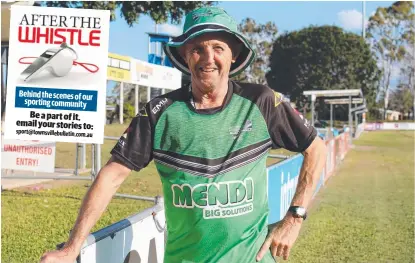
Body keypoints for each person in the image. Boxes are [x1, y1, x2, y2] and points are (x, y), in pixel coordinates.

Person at [41, 6, 327, 263]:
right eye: (197, 49)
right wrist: (71, 248)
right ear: (184, 55)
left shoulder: (261, 102)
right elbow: (111, 176)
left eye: (218, 47)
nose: (208, 58)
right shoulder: (158, 113)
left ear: (234, 55)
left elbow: (316, 149)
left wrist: (295, 217)